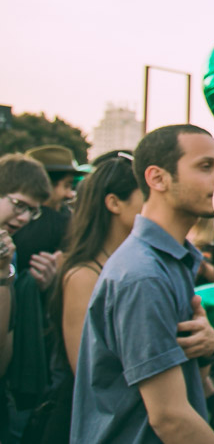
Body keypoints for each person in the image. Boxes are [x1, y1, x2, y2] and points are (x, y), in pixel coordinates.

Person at [71, 124, 214, 444]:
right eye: (206, 166)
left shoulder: (171, 259)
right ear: (157, 178)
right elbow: (169, 418)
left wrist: (207, 347)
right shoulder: (143, 274)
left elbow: (188, 382)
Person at [25, 156, 149, 444]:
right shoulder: (83, 275)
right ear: (114, 203)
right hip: (92, 423)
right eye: (145, 196)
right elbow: (87, 370)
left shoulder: (126, 266)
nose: (153, 206)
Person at [0, 153, 52, 435]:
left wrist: (3, 274)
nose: (24, 218)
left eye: (33, 211)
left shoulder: (9, 253)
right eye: (19, 205)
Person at [12, 145, 82, 277]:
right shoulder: (62, 223)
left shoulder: (13, 221)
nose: (70, 194)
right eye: (66, 185)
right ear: (46, 186)